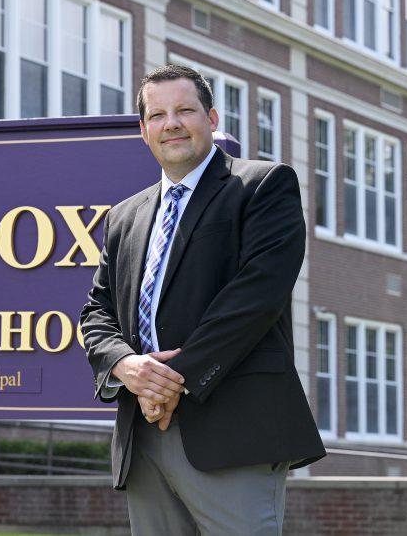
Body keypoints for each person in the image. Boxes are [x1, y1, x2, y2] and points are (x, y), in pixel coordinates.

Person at [80, 64, 325, 535]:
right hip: (143, 434)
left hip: (232, 428)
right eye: (157, 115)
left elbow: (255, 297)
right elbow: (97, 311)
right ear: (143, 130)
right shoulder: (123, 216)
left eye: (184, 110)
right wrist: (126, 368)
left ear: (211, 118)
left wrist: (172, 380)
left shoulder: (263, 187)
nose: (170, 123)